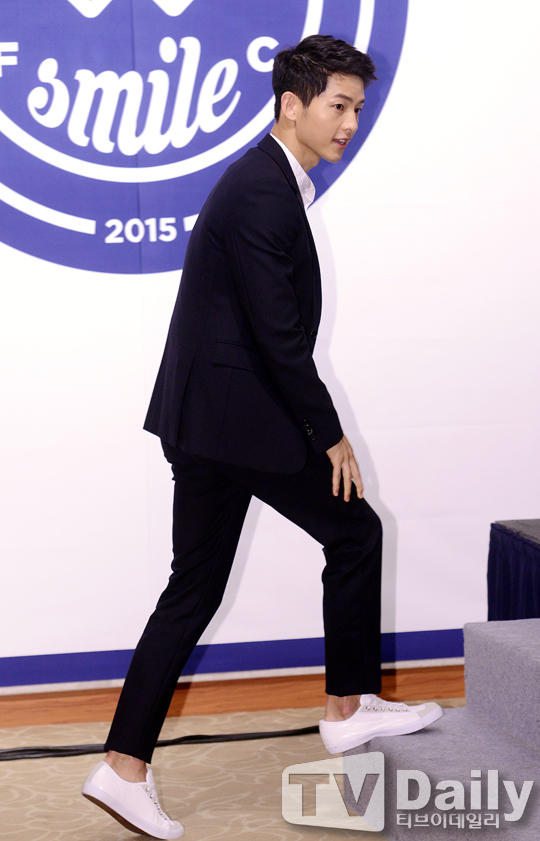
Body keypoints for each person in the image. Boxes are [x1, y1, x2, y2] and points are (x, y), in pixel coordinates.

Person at [82, 34, 443, 840]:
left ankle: (123, 766)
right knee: (354, 531)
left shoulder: (270, 181)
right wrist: (330, 435)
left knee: (194, 590)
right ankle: (345, 707)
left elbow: (262, 328)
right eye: (338, 105)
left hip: (216, 419)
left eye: (357, 108)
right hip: (235, 422)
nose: (349, 123)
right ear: (292, 104)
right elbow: (279, 336)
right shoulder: (261, 191)